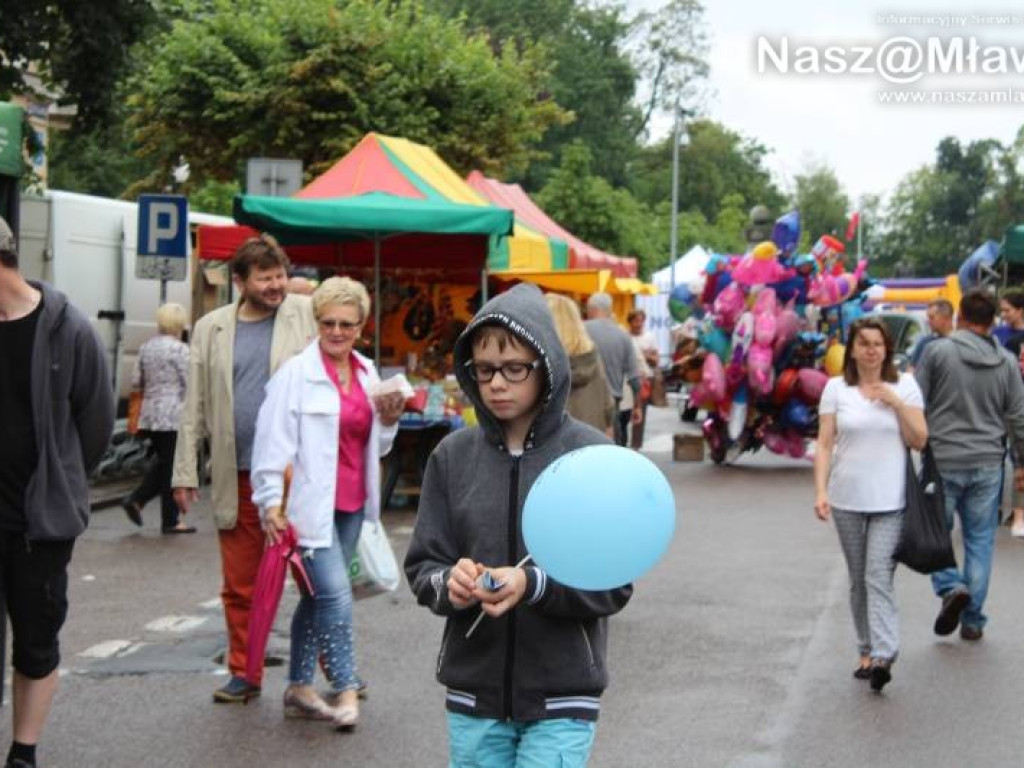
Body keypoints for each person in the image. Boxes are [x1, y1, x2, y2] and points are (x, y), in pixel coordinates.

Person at [404, 283, 633, 767]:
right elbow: (424, 566)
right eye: (484, 369)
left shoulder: (590, 455)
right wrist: (451, 584)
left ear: (546, 365)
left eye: (514, 368)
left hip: (563, 692)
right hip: (473, 694)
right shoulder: (452, 456)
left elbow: (613, 584)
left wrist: (532, 584)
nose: (497, 383)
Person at [251, 277, 404, 729]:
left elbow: (377, 446)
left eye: (347, 324)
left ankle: (299, 687)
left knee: (315, 598)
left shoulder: (367, 372)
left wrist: (390, 420)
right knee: (335, 594)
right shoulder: (295, 374)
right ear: (316, 322)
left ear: (361, 326)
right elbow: (270, 443)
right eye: (328, 322)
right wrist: (270, 503)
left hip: (353, 503)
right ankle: (345, 686)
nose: (337, 332)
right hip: (307, 510)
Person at [172, 234, 317, 703]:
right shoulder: (210, 328)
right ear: (239, 281)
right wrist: (184, 472)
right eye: (265, 278)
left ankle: (336, 670)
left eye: (280, 276)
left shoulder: (306, 312)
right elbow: (194, 404)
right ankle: (245, 672)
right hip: (239, 475)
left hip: (298, 474)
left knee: (318, 579)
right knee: (240, 585)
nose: (276, 285)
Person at [0, 215, 115, 768]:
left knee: (35, 640)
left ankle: (23, 752)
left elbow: (95, 424)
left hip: (37, 524)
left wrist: (60, 482)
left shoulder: (68, 328)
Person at [814, 317, 927, 692]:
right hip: (847, 498)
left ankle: (884, 653)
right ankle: (865, 649)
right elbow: (825, 444)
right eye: (864, 343)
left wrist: (895, 403)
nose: (871, 350)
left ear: (887, 349)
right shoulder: (835, 389)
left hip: (890, 500)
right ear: (852, 350)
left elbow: (920, 439)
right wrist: (821, 491)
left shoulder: (905, 386)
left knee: (877, 574)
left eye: (878, 344)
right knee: (858, 579)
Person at [915, 290, 1024, 642]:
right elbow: (1018, 416)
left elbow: (916, 401)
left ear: (960, 315)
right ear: (993, 319)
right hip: (989, 462)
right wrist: (1021, 463)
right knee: (979, 541)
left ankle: (951, 587)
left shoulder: (937, 352)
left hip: (943, 459)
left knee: (936, 533)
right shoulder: (1006, 361)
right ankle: (973, 618)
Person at [121, 303, 194, 533]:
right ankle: (170, 521)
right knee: (171, 467)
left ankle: (136, 500)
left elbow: (136, 381)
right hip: (173, 415)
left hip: (150, 415)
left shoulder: (146, 348)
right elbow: (190, 382)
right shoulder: (182, 350)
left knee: (165, 463)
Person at [545, 293, 614, 436]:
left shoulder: (542, 361)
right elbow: (606, 398)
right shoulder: (591, 353)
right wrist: (608, 424)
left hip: (554, 440)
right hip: (591, 435)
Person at [584, 292, 641, 446]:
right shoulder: (623, 336)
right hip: (612, 403)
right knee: (612, 448)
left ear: (591, 309)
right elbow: (634, 379)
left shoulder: (580, 331)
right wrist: (638, 406)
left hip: (583, 402)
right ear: (609, 310)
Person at [997, 289, 1024, 536]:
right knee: (996, 454)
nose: (1003, 314)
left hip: (1018, 405)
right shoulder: (999, 335)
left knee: (1019, 458)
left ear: (1020, 310)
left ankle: (1018, 513)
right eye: (1001, 310)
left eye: (1007, 310)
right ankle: (993, 508)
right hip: (999, 402)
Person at [627, 308, 660, 449]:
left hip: (645, 378)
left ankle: (636, 444)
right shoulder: (625, 337)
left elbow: (656, 360)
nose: (639, 324)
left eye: (641, 321)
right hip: (628, 378)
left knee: (640, 410)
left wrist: (645, 356)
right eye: (635, 321)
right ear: (630, 322)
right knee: (625, 410)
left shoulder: (649, 337)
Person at [908, 299, 954, 369]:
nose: (928, 321)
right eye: (928, 317)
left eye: (932, 317)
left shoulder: (959, 343)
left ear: (946, 318)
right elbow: (912, 370)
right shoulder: (925, 343)